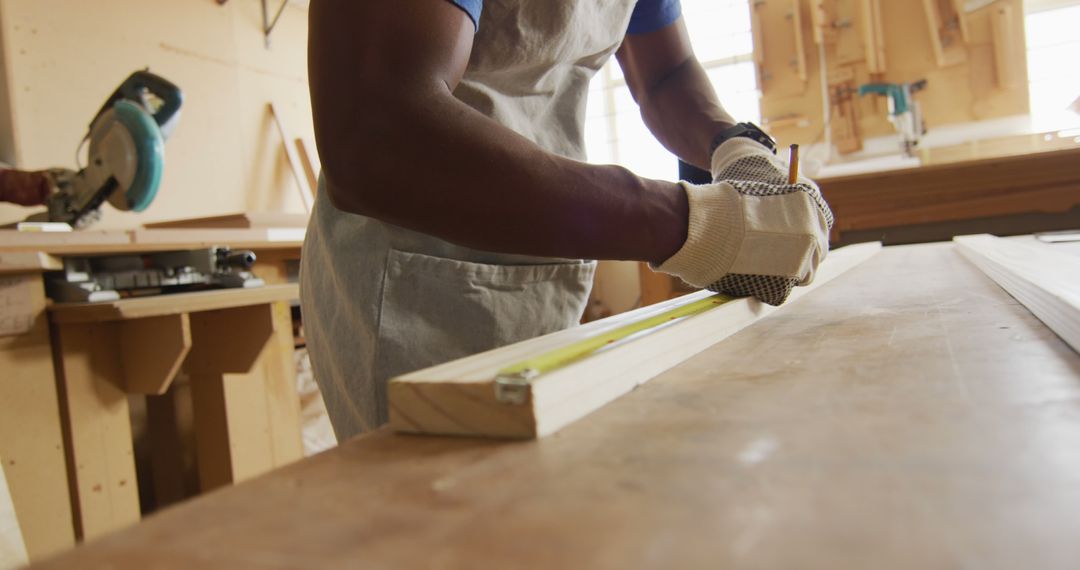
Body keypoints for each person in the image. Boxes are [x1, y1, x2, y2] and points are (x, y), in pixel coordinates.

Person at [301, 0, 833, 440]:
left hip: (545, 252)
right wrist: (696, 224)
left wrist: (734, 145)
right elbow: (375, 132)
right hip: (412, 275)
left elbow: (667, 74)